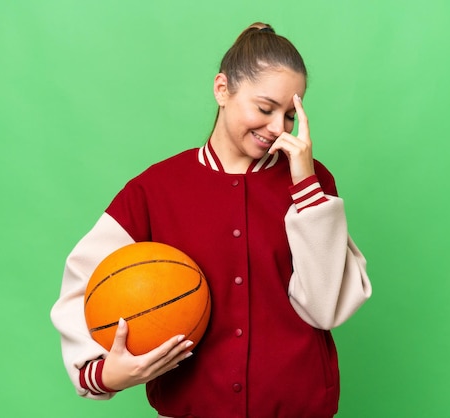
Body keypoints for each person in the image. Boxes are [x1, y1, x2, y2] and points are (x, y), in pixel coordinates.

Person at [51, 22, 372, 418]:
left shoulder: (311, 181)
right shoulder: (156, 188)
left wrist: (305, 183)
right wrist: (103, 373)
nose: (277, 128)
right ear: (222, 89)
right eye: (265, 108)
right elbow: (83, 282)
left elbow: (325, 308)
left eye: (290, 115)